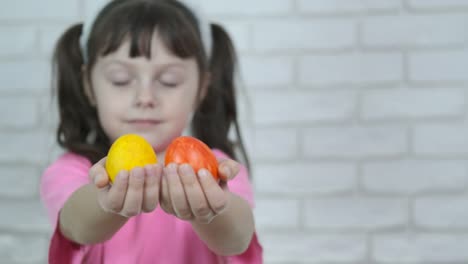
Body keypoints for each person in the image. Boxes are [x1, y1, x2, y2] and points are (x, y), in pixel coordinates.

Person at [39, 0, 263, 263]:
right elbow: (77, 226)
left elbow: (237, 239)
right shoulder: (73, 171)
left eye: (169, 81)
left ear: (202, 86)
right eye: (121, 79)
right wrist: (108, 201)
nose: (145, 97)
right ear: (88, 84)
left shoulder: (214, 168)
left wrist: (210, 208)